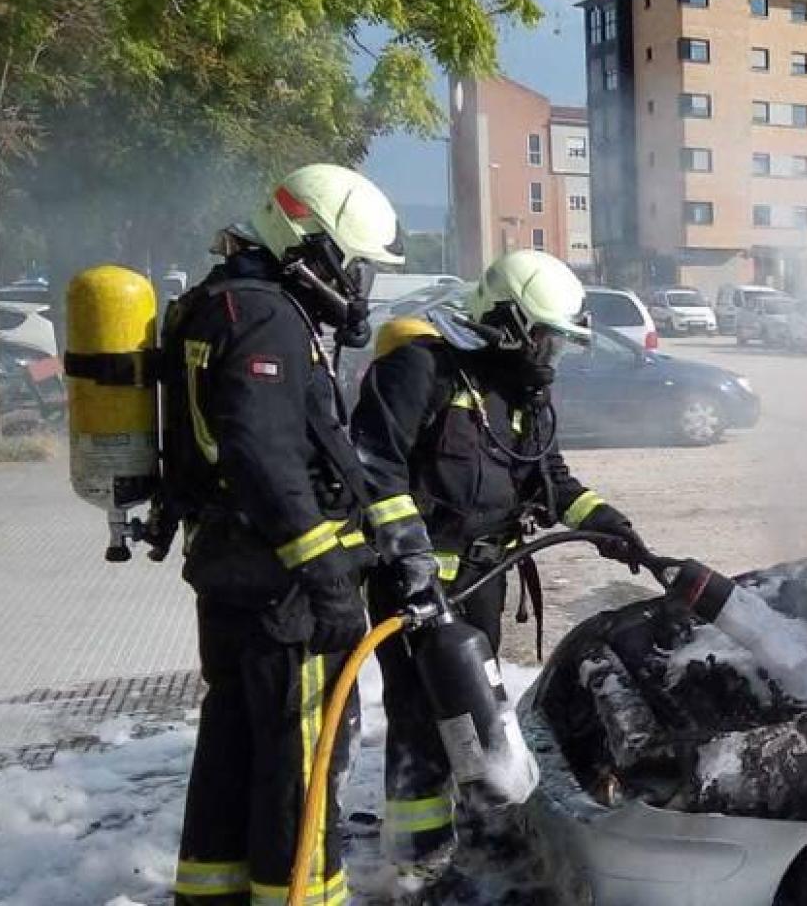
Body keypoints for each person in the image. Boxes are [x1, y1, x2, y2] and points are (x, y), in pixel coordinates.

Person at [349, 249, 647, 895]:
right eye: (547, 340)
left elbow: (550, 476)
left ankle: (482, 830)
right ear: (510, 323)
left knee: (476, 710)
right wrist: (410, 561)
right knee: (421, 715)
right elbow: (373, 467)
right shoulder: (421, 371)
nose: (551, 358)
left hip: (483, 581)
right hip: (414, 588)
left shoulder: (523, 396)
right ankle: (418, 853)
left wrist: (604, 521)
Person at [162, 164, 404, 905]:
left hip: (230, 569)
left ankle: (211, 891)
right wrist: (327, 573)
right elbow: (262, 455)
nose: (357, 283)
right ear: (309, 245)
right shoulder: (266, 315)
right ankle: (304, 896)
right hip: (281, 591)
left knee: (231, 744)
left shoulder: (217, 301)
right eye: (353, 263)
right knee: (297, 760)